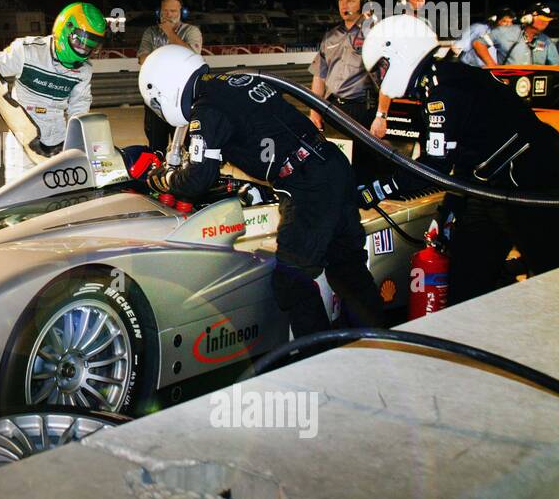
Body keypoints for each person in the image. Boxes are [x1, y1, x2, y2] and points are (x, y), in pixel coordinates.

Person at [139, 45, 384, 339]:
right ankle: (380, 345)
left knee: (291, 279)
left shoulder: (206, 109)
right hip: (331, 166)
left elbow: (196, 180)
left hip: (307, 183)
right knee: (347, 269)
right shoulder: (232, 82)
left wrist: (162, 179)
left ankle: (320, 359)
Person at [363, 15, 559, 306]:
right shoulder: (440, 81)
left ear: (401, 54)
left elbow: (435, 167)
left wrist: (376, 190)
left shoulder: (443, 92)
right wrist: (449, 209)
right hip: (491, 181)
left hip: (528, 178)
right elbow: (461, 155)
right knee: (466, 280)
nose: (381, 76)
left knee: (552, 271)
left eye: (383, 66)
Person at [0, 2, 105, 183]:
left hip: (58, 140)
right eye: (80, 41)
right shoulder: (27, 50)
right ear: (65, 29)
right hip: (22, 141)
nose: (84, 49)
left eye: (89, 46)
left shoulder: (84, 71)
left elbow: (79, 110)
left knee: (58, 200)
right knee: (17, 199)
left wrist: (78, 144)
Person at [308, 0, 383, 180]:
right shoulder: (331, 36)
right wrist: (314, 110)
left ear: (364, 2)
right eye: (341, 1)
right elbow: (319, 76)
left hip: (361, 110)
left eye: (350, 1)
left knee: (362, 169)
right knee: (333, 165)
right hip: (331, 110)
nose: (344, 5)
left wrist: (382, 115)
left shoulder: (374, 34)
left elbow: (387, 77)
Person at [137, 0, 204, 154]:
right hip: (155, 97)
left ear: (182, 12)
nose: (168, 15)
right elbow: (142, 59)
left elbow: (192, 56)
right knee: (156, 147)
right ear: (159, 12)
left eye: (173, 11)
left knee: (184, 146)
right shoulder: (150, 32)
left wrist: (169, 34)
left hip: (182, 96)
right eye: (165, 11)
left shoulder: (192, 31)